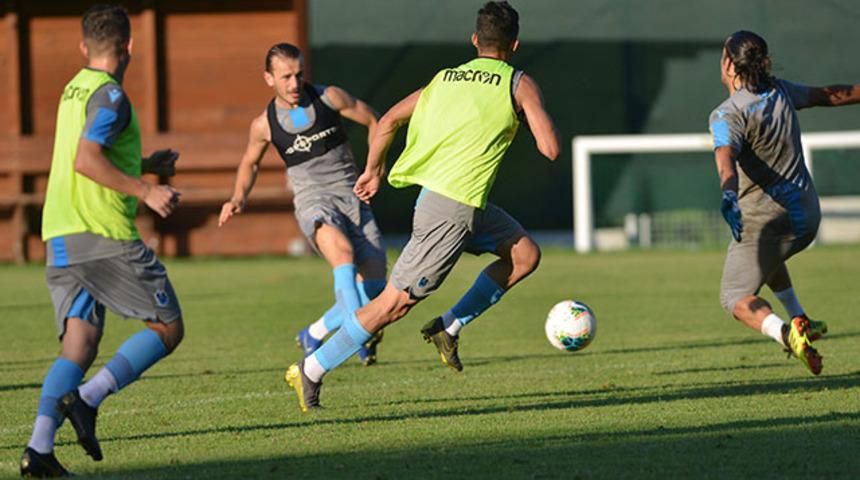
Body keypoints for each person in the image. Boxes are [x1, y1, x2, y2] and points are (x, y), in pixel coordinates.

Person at [286, 1, 560, 411]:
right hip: (450, 211)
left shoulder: (445, 78)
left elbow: (390, 119)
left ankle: (448, 327)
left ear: (474, 41)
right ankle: (312, 367)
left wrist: (375, 170)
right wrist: (526, 108)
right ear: (515, 44)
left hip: (461, 202)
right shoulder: (517, 83)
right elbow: (551, 149)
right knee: (392, 305)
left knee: (524, 255)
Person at [20, 4, 184, 477]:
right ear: (130, 46)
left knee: (79, 346)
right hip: (101, 234)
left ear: (83, 47)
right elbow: (87, 160)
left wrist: (146, 163)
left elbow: (94, 155)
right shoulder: (111, 95)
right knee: (168, 327)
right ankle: (87, 401)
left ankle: (39, 449)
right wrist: (148, 190)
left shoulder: (76, 88)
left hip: (61, 233)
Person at [218, 43, 387, 366]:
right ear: (269, 78)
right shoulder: (264, 124)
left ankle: (314, 333)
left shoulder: (329, 97)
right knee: (343, 255)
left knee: (376, 287)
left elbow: (375, 121)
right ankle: (355, 340)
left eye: (298, 75)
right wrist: (238, 198)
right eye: (285, 77)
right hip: (313, 201)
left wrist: (373, 169)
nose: (294, 84)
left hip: (352, 195)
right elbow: (250, 163)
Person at [709, 30, 860, 376]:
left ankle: (787, 334)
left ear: (729, 64)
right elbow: (829, 95)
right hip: (807, 216)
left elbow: (724, 156)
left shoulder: (726, 114)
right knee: (766, 253)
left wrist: (729, 193)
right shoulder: (780, 90)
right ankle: (800, 318)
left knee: (734, 298)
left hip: (769, 220)